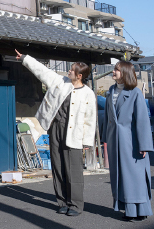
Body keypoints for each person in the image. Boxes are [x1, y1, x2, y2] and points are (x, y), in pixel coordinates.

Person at [15, 50, 96, 216]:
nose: (69, 71)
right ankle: (62, 202)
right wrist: (24, 58)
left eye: (72, 70)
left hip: (74, 133)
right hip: (55, 128)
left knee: (73, 169)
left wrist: (87, 141)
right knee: (58, 166)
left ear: (80, 76)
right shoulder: (60, 82)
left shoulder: (88, 93)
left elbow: (90, 119)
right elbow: (42, 71)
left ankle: (75, 205)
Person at [102, 60, 153, 222]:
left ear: (125, 73)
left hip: (132, 143)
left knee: (135, 177)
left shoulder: (135, 92)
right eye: (114, 69)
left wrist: (144, 145)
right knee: (120, 176)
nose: (113, 72)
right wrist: (105, 138)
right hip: (115, 141)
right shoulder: (110, 91)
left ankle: (140, 210)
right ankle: (128, 209)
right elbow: (108, 118)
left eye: (116, 70)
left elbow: (142, 120)